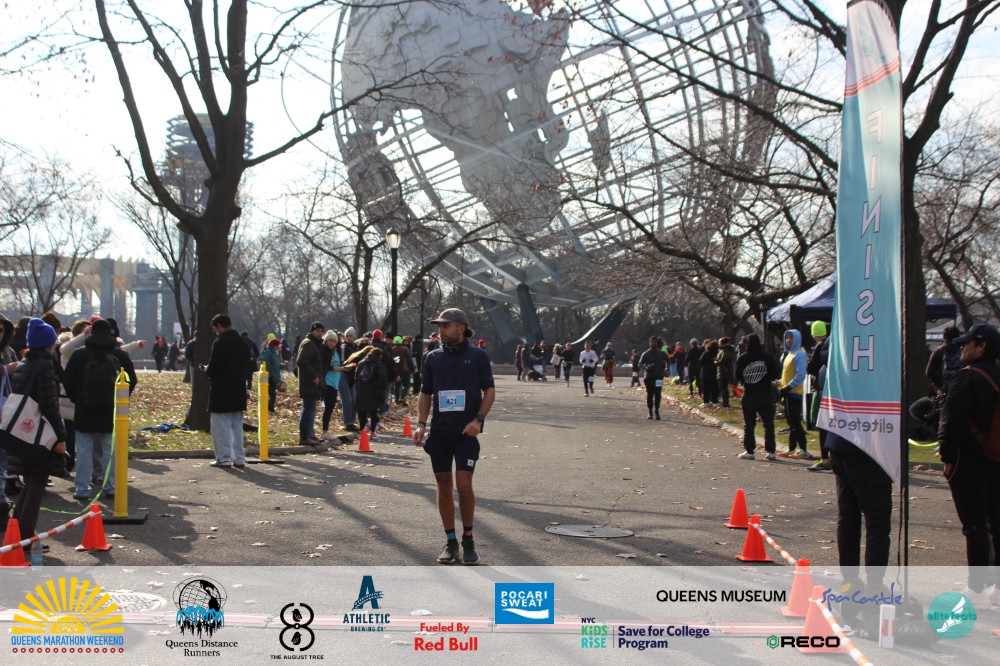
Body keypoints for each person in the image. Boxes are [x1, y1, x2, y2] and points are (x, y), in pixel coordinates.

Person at [412, 308, 495, 565]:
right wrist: (421, 424)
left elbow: (489, 390)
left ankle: (468, 539)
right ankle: (450, 541)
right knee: (444, 486)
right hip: (440, 432)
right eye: (439, 325)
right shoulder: (432, 357)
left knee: (464, 485)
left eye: (445, 325)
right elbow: (425, 393)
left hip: (466, 432)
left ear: (461, 327)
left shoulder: (478, 356)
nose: (440, 330)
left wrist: (478, 420)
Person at [938, 323, 1000, 606]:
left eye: (967, 343)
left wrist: (948, 459)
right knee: (997, 526)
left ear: (981, 346)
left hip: (969, 463)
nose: (962, 348)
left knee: (974, 527)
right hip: (996, 460)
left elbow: (950, 424)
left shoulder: (965, 378)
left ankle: (976, 590)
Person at [7, 319, 68, 549]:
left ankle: (16, 533)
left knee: (30, 481)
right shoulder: (44, 365)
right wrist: (60, 437)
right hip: (37, 432)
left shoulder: (25, 362)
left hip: (22, 431)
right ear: (49, 343)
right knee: (37, 482)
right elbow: (49, 404)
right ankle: (25, 538)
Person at [63, 318, 137, 501]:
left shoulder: (80, 355)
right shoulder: (120, 356)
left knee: (84, 451)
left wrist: (78, 399)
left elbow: (68, 380)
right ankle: (111, 487)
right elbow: (132, 380)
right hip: (111, 410)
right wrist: (120, 399)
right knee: (109, 451)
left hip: (84, 410)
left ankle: (82, 489)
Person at [202, 314, 248, 468]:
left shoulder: (220, 342)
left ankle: (224, 458)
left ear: (220, 326)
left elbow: (215, 367)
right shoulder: (242, 342)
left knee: (220, 427)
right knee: (237, 428)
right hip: (239, 389)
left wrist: (207, 370)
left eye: (215, 329)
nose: (216, 332)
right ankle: (239, 457)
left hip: (222, 390)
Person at [734, 333, 779, 460]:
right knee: (768, 423)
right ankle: (771, 451)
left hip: (750, 393)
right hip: (765, 393)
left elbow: (737, 375)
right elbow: (775, 373)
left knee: (749, 424)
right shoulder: (767, 357)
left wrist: (745, 381)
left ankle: (750, 450)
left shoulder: (743, 358)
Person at [776, 329, 815, 459]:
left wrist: (788, 387)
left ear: (797, 339)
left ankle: (803, 449)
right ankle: (791, 448)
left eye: (791, 338)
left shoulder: (800, 354)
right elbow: (788, 375)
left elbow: (801, 375)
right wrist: (780, 382)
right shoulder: (790, 354)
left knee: (796, 422)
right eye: (787, 338)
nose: (788, 340)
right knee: (791, 423)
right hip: (788, 392)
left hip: (795, 393)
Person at [806, 321, 832, 471]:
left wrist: (809, 363)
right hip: (832, 389)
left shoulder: (820, 348)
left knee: (822, 424)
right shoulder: (832, 343)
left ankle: (825, 459)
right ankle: (831, 457)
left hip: (822, 389)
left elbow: (811, 367)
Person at [296, 322, 326, 446]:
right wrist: (313, 376)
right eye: (317, 330)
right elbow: (301, 361)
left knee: (311, 410)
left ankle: (310, 434)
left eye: (321, 331)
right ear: (312, 331)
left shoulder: (316, 344)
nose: (320, 333)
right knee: (308, 410)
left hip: (313, 383)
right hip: (309, 382)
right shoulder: (308, 343)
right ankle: (304, 436)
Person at [352, 345, 389, 437]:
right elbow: (382, 378)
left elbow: (357, 377)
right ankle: (372, 431)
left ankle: (362, 430)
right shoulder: (378, 364)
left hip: (362, 389)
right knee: (373, 411)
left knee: (362, 411)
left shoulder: (361, 363)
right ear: (379, 355)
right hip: (374, 390)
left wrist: (358, 387)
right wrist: (382, 390)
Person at [320, 330, 344, 447]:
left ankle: (326, 430)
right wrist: (334, 368)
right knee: (328, 407)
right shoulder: (324, 351)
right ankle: (324, 431)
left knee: (331, 407)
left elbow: (339, 364)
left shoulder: (336, 351)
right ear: (326, 340)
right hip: (327, 382)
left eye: (334, 341)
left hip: (335, 382)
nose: (332, 343)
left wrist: (344, 367)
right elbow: (323, 366)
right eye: (330, 340)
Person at [638, 336, 668, 420]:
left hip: (659, 377)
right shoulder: (646, 353)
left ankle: (657, 411)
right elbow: (640, 364)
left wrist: (667, 368)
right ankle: (650, 411)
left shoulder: (662, 353)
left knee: (658, 394)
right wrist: (646, 367)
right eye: (652, 342)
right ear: (649, 343)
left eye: (654, 342)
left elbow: (668, 360)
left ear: (657, 343)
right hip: (649, 377)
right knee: (650, 394)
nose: (653, 343)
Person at [339, 327, 359, 431]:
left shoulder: (356, 348)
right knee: (347, 400)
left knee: (354, 399)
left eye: (351, 336)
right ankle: (348, 423)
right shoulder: (343, 347)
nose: (349, 338)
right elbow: (342, 361)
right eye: (347, 336)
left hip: (352, 375)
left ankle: (352, 420)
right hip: (343, 374)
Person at [261, 337, 282, 413]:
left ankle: (270, 407)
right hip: (269, 376)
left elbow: (274, 363)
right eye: (278, 345)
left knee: (272, 392)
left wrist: (280, 365)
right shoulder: (268, 352)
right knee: (270, 392)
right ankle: (269, 407)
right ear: (274, 346)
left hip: (273, 375)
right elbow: (265, 363)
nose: (279, 347)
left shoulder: (273, 352)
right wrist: (270, 373)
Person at [715, 337, 736, 408]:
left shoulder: (725, 351)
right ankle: (725, 402)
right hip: (724, 371)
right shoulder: (726, 350)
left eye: (719, 342)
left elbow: (722, 361)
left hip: (724, 371)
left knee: (723, 388)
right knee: (723, 387)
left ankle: (726, 403)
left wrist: (716, 362)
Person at [699, 339, 720, 406]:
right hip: (714, 373)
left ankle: (706, 401)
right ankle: (715, 401)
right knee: (714, 388)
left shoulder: (706, 353)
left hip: (706, 373)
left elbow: (700, 362)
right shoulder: (718, 353)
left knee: (706, 388)